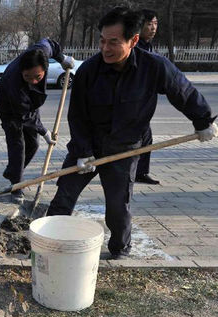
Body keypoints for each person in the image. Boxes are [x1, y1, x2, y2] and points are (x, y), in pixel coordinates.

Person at [47, 6, 217, 259]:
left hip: (125, 149)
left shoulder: (154, 67)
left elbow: (182, 91)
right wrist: (82, 152)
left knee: (117, 206)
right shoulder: (89, 71)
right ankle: (47, 243)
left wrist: (203, 120)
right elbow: (77, 117)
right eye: (103, 41)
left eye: (114, 42)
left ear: (134, 40)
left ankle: (119, 250)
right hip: (87, 147)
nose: (106, 48)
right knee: (63, 197)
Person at [0, 39, 75, 203]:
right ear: (21, 72)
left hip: (30, 102)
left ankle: (13, 172)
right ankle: (16, 185)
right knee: (18, 145)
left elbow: (50, 44)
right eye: (27, 77)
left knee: (34, 144)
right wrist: (44, 131)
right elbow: (25, 115)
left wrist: (62, 58)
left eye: (38, 76)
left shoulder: (41, 51)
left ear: (45, 68)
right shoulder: (13, 83)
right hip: (10, 109)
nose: (33, 81)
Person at [135, 8, 160, 185]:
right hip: (134, 101)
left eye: (155, 24)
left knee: (146, 137)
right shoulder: (136, 47)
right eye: (149, 24)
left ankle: (140, 172)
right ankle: (136, 171)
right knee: (140, 137)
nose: (153, 28)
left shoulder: (148, 47)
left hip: (144, 101)